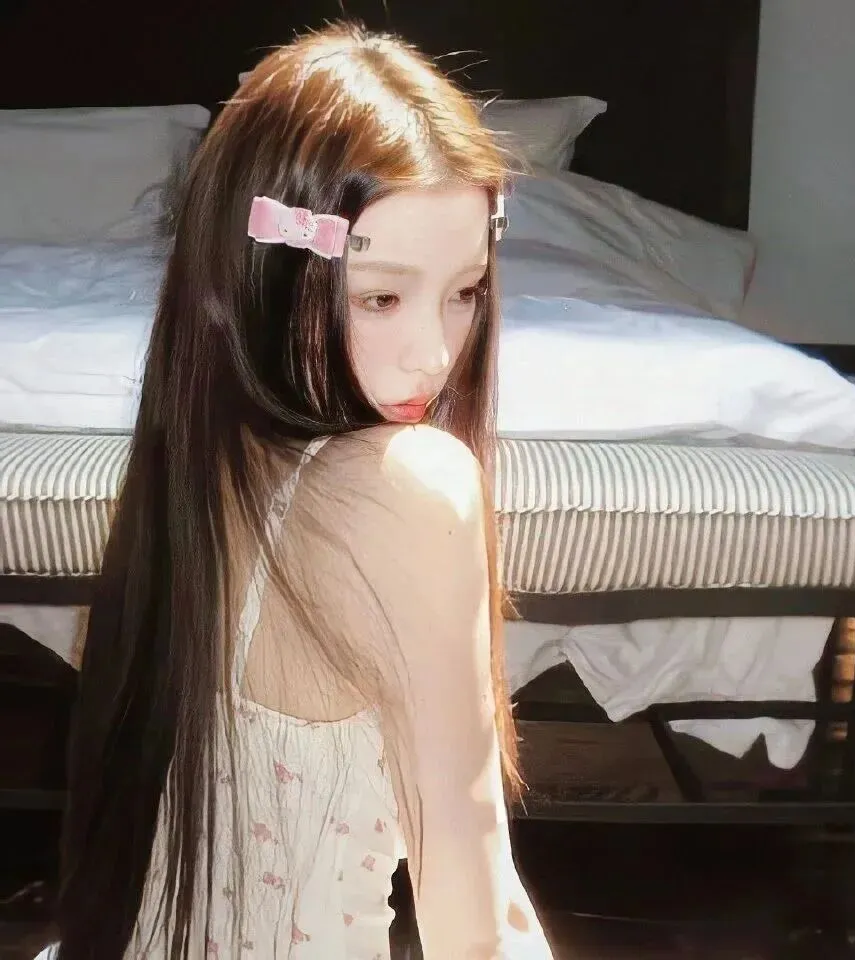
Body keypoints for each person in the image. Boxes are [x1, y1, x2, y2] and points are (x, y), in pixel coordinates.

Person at [45, 23, 555, 960]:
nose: (434, 355)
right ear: (267, 273)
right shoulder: (409, 489)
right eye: (380, 298)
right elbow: (476, 917)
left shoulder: (191, 473)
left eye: (465, 291)